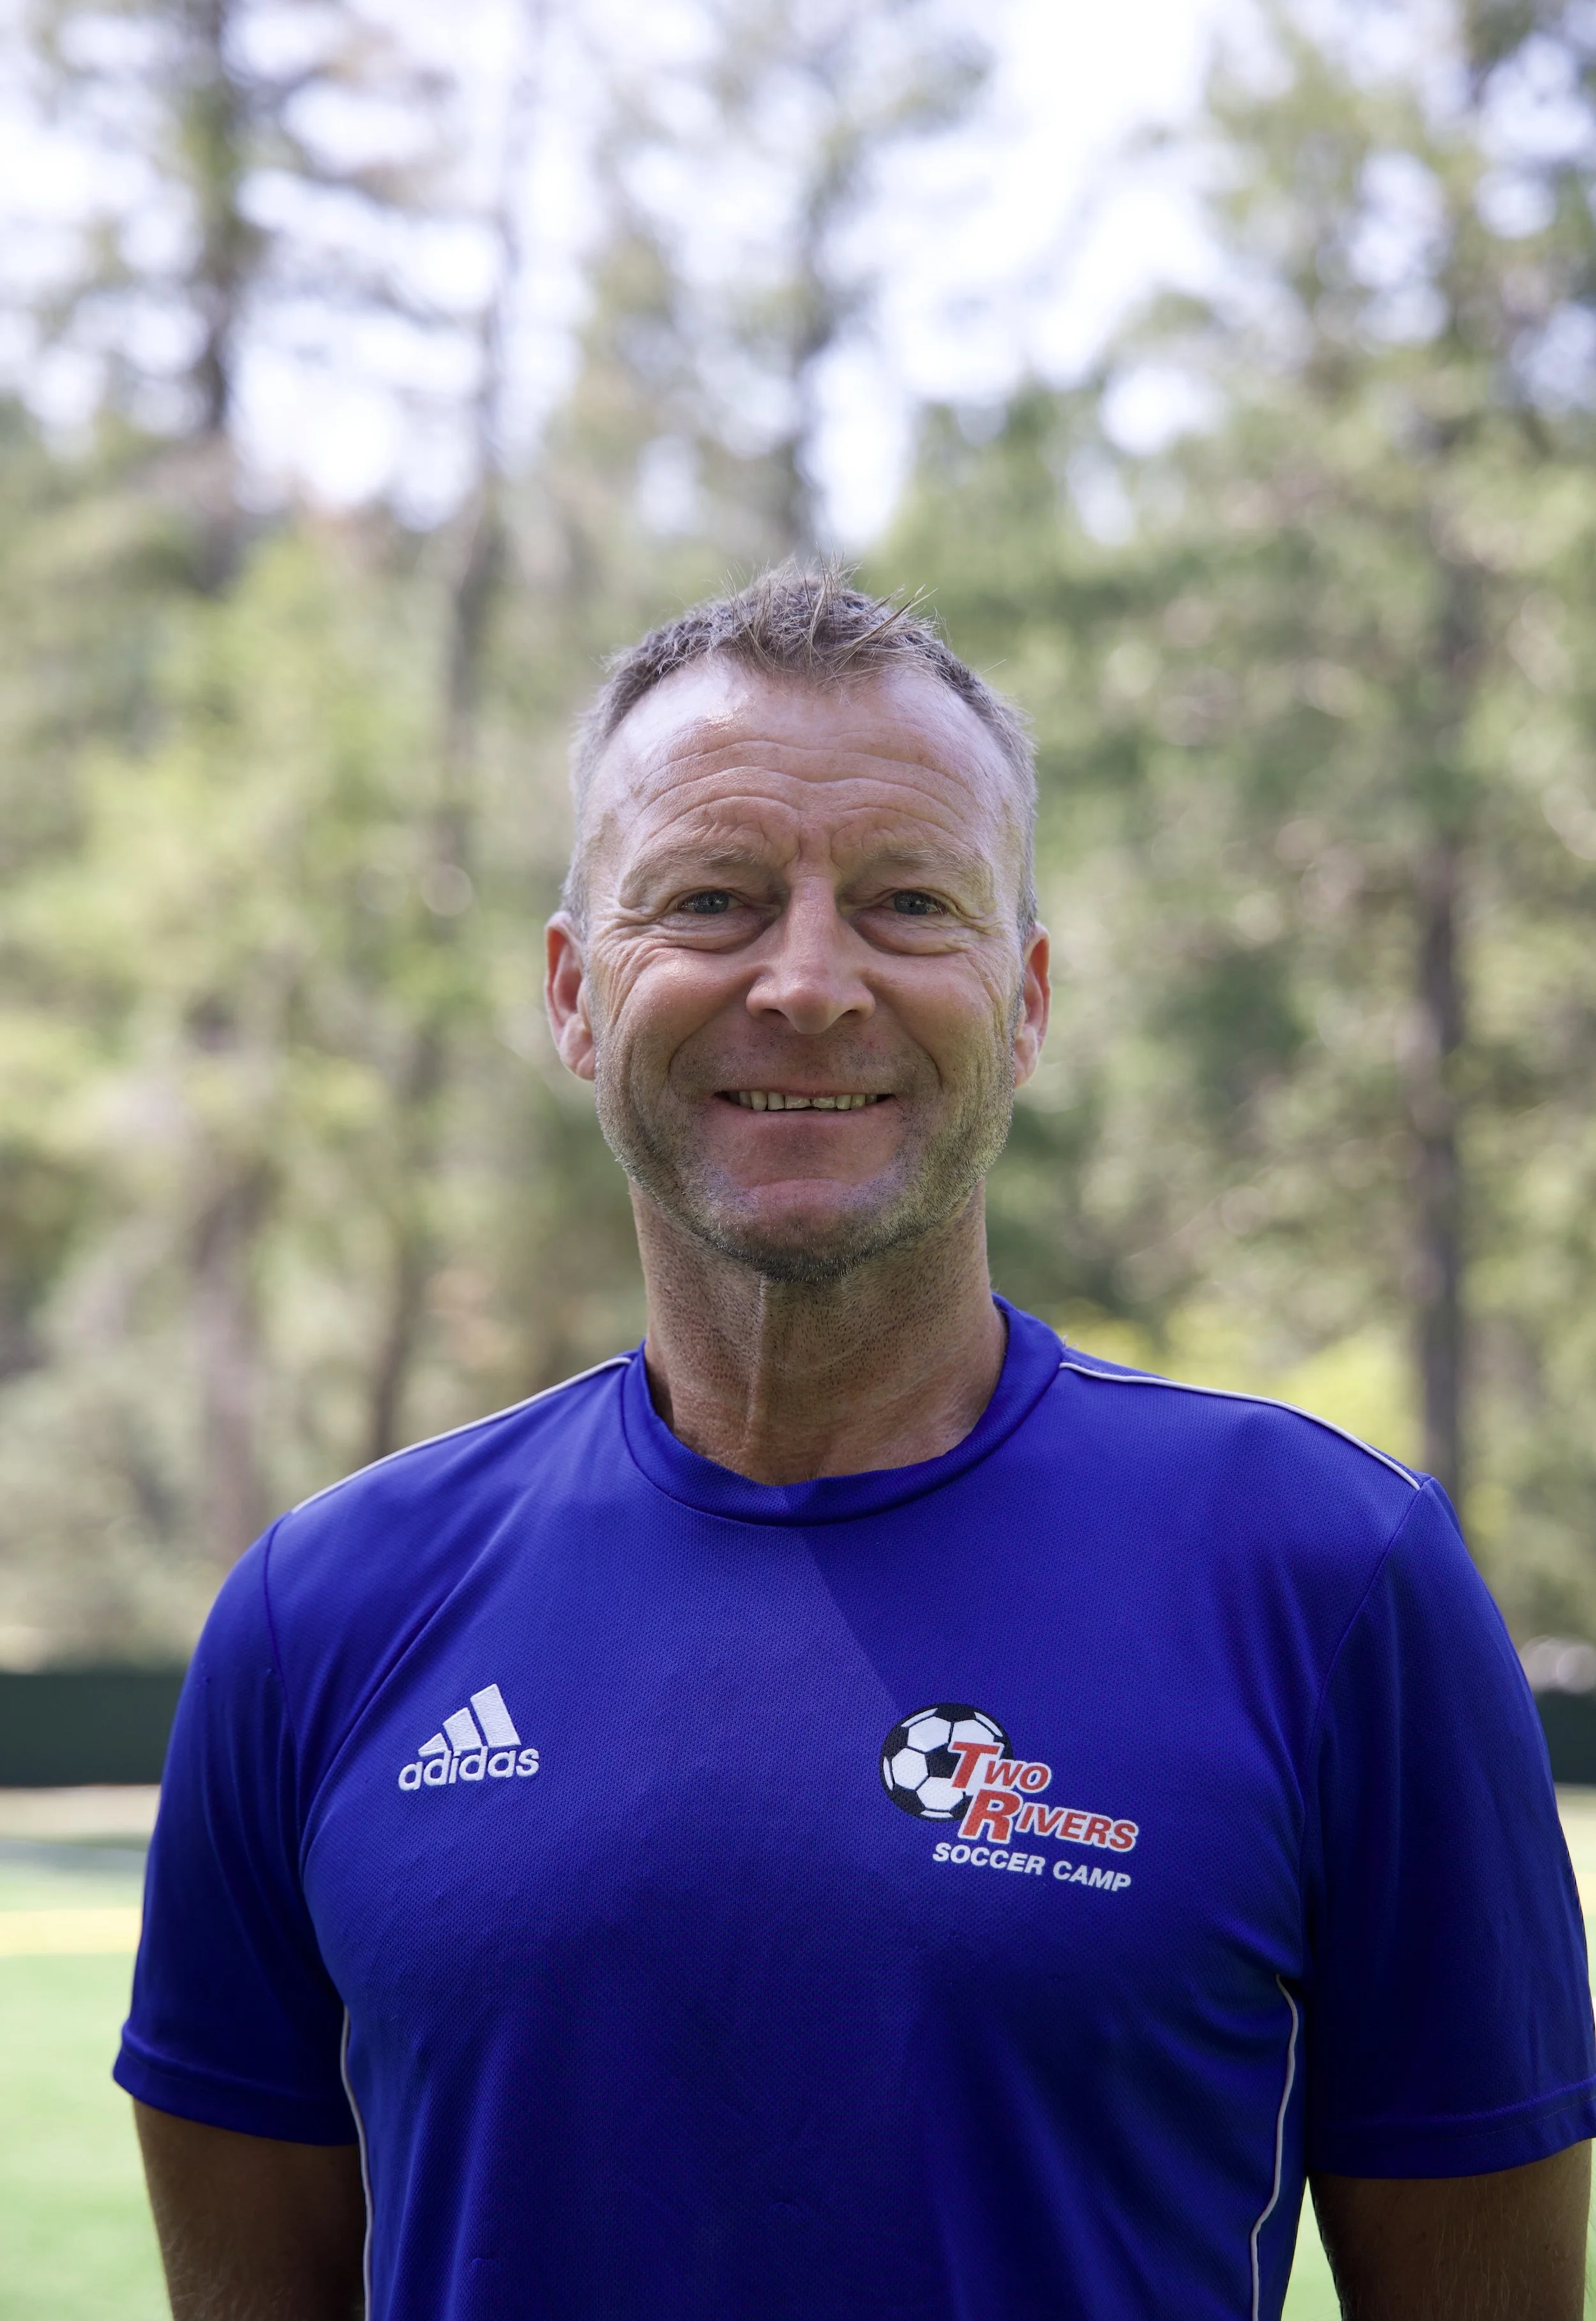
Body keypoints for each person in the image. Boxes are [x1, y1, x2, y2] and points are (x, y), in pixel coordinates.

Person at [119, 566, 1595, 2321]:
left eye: (907, 903)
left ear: (1026, 1001)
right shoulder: (318, 1615)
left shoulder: (1333, 1578)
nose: (809, 982)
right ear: (576, 993)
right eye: (712, 900)